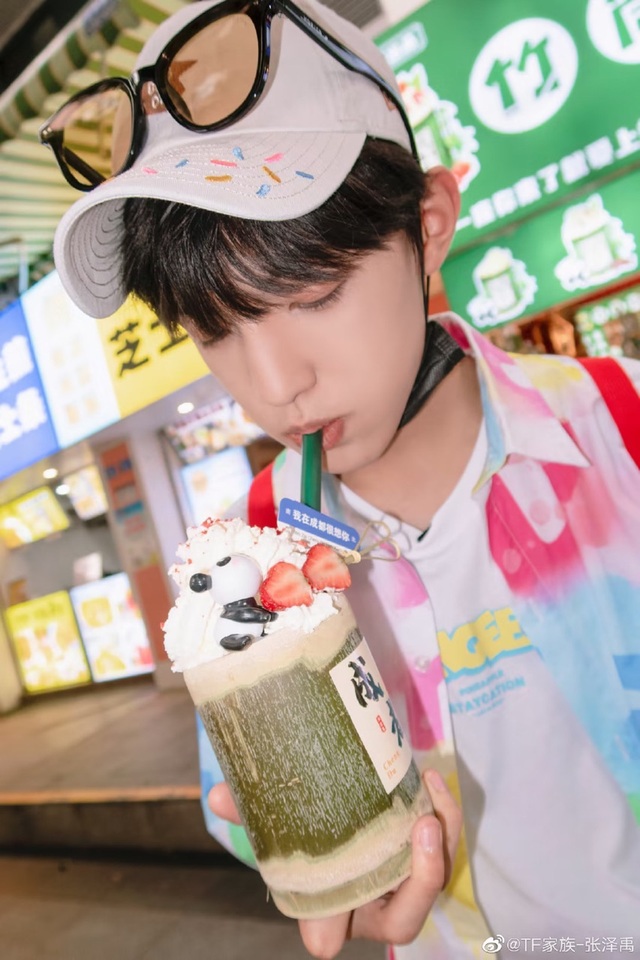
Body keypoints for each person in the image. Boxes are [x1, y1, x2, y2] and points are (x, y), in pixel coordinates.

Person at [43, 0, 640, 957]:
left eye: (313, 294)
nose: (274, 386)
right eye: (216, 330)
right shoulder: (242, 566)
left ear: (428, 227)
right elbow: (245, 808)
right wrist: (323, 863)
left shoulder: (620, 430)